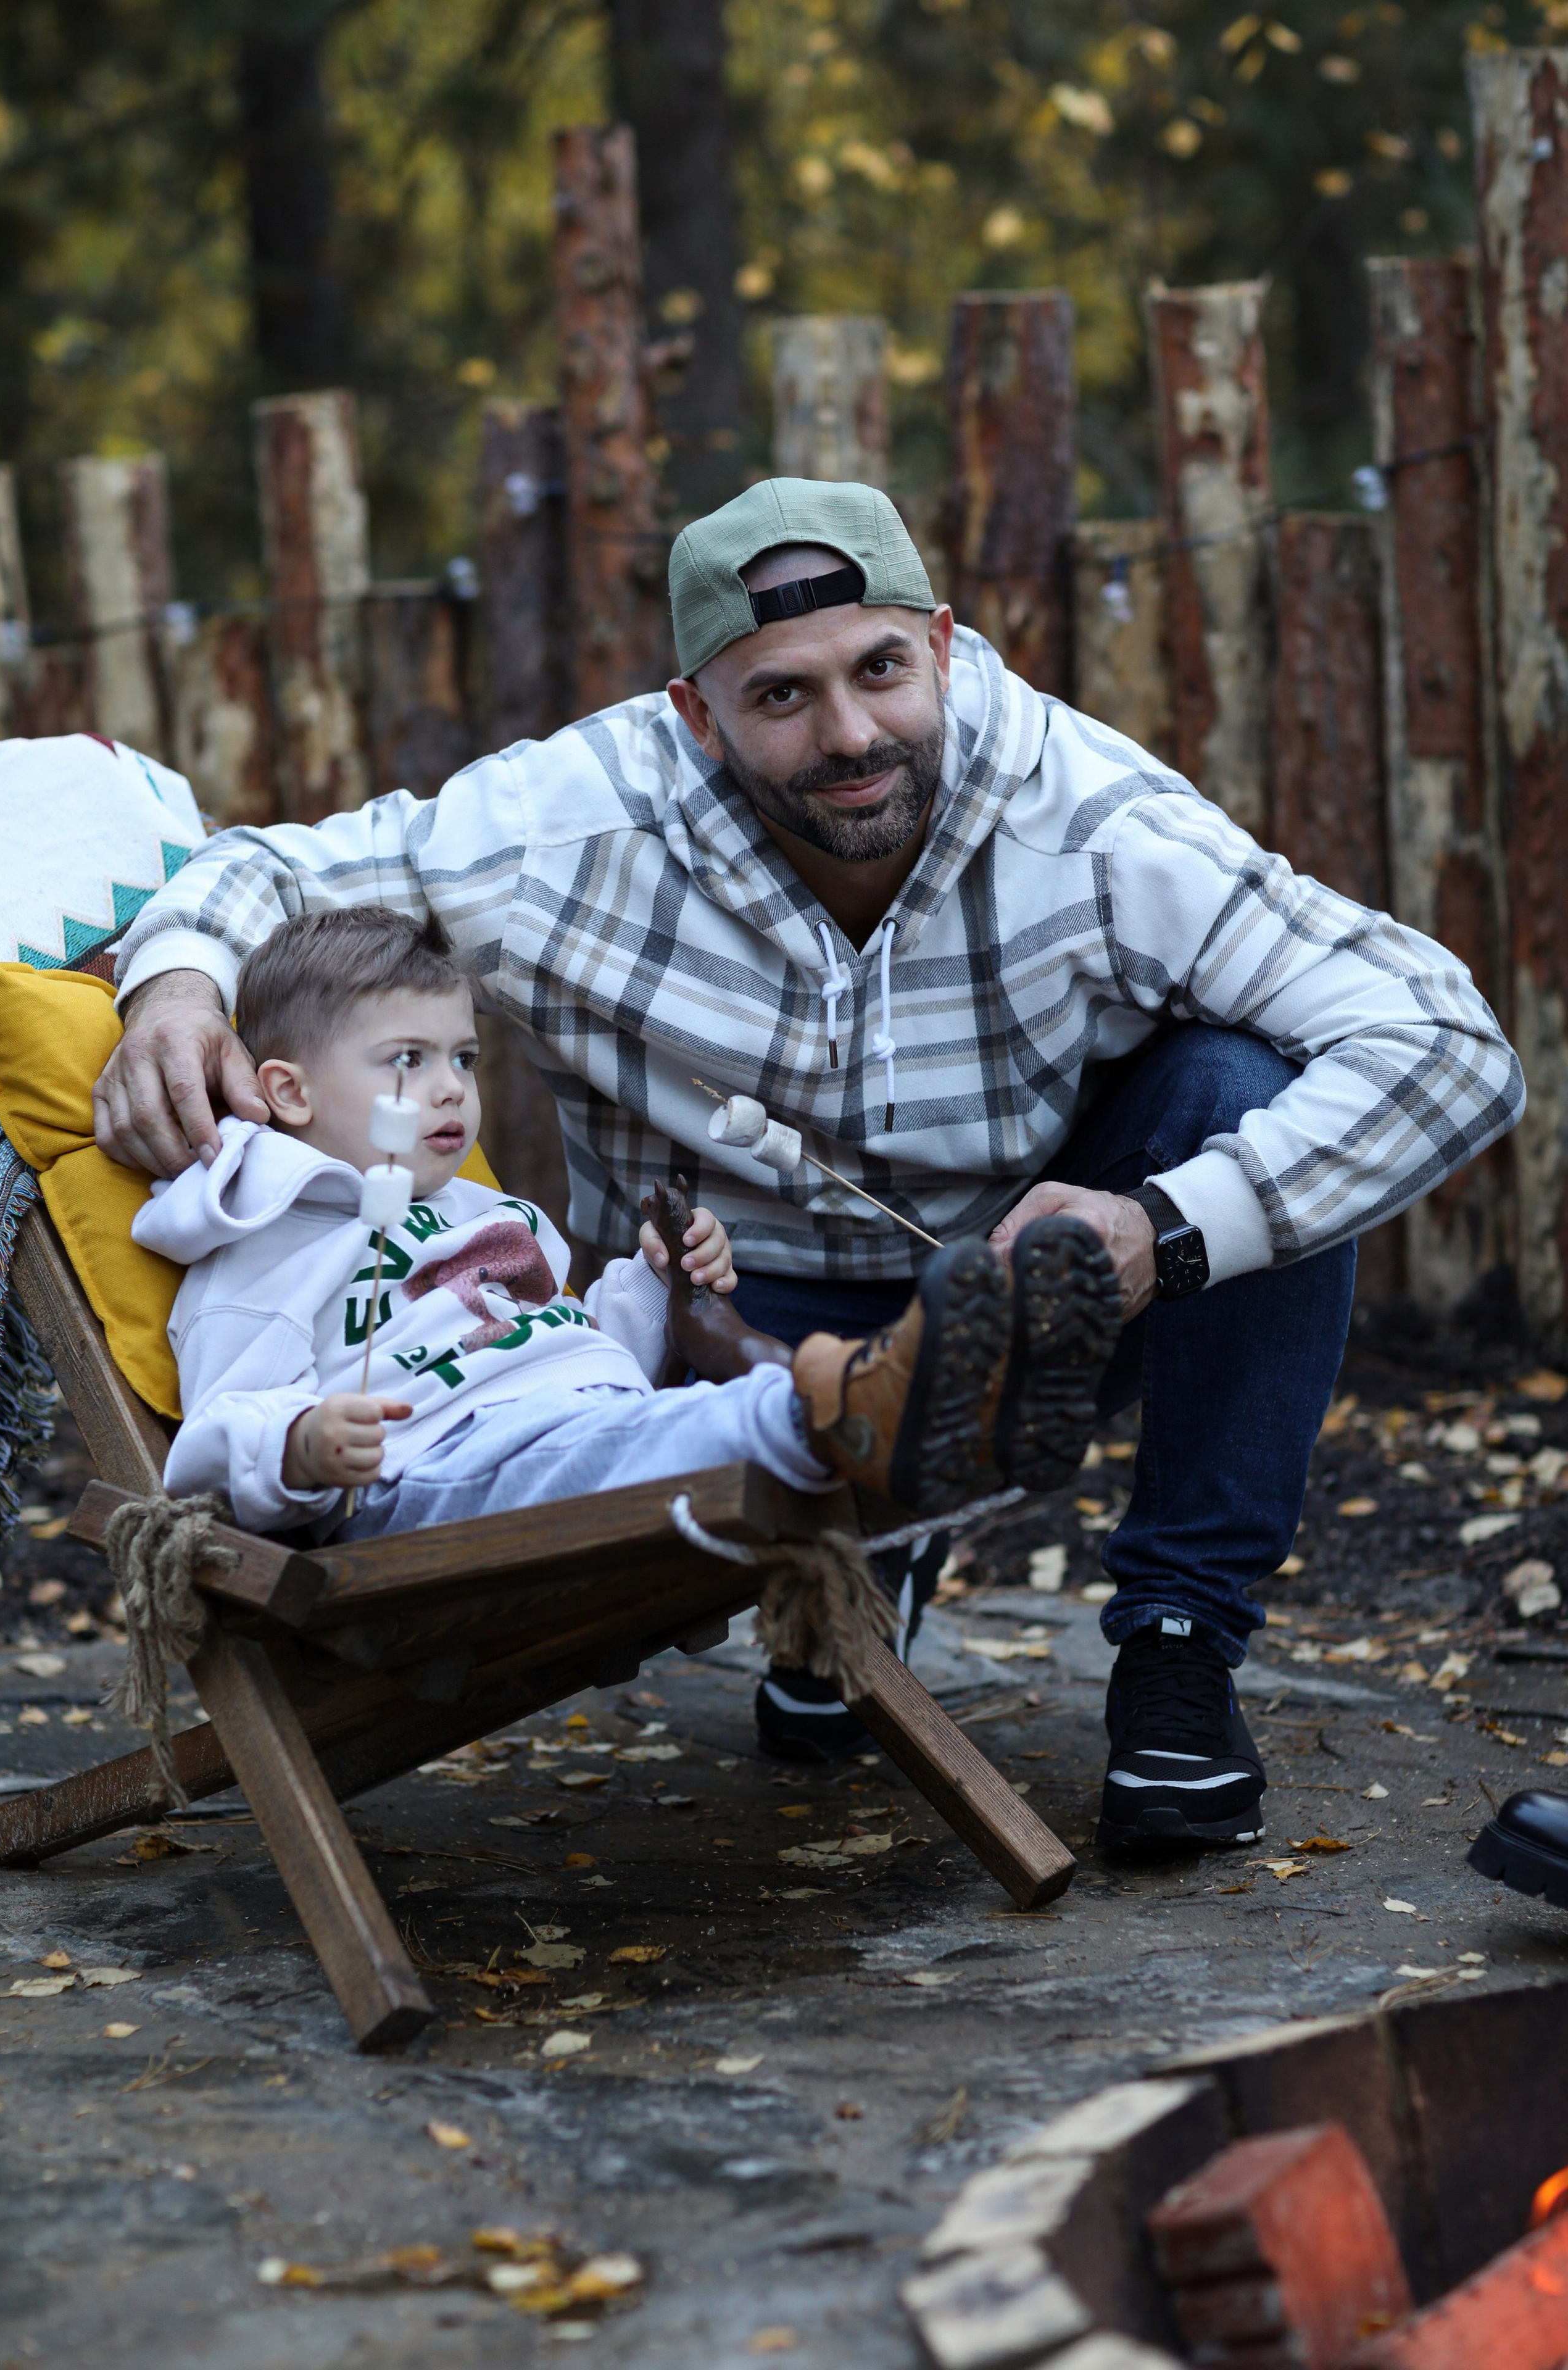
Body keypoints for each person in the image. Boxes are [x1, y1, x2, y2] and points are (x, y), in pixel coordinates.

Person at [95, 476, 1524, 1847]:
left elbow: (1446, 1045)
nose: (849, 733)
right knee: (791, 1512)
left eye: (881, 670)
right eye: (780, 695)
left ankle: (1176, 1644)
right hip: (711, 1320)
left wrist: (1163, 1225)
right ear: (696, 718)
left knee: (1244, 1089)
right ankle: (859, 1548)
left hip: (1023, 1303)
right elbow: (271, 867)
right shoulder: (573, 821)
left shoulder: (1087, 817)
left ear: (946, 649)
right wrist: (173, 981)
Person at [138, 902, 1117, 1545]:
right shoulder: (263, 1242)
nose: (448, 1089)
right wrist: (303, 1445)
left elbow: (577, 1347)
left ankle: (954, 1409)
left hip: (581, 1426)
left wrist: (656, 1288)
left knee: (650, 1428)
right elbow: (211, 1445)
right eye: (406, 1060)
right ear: (289, 1092)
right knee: (687, 1432)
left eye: (465, 1059)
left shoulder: (479, 1211)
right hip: (436, 1484)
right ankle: (881, 1406)